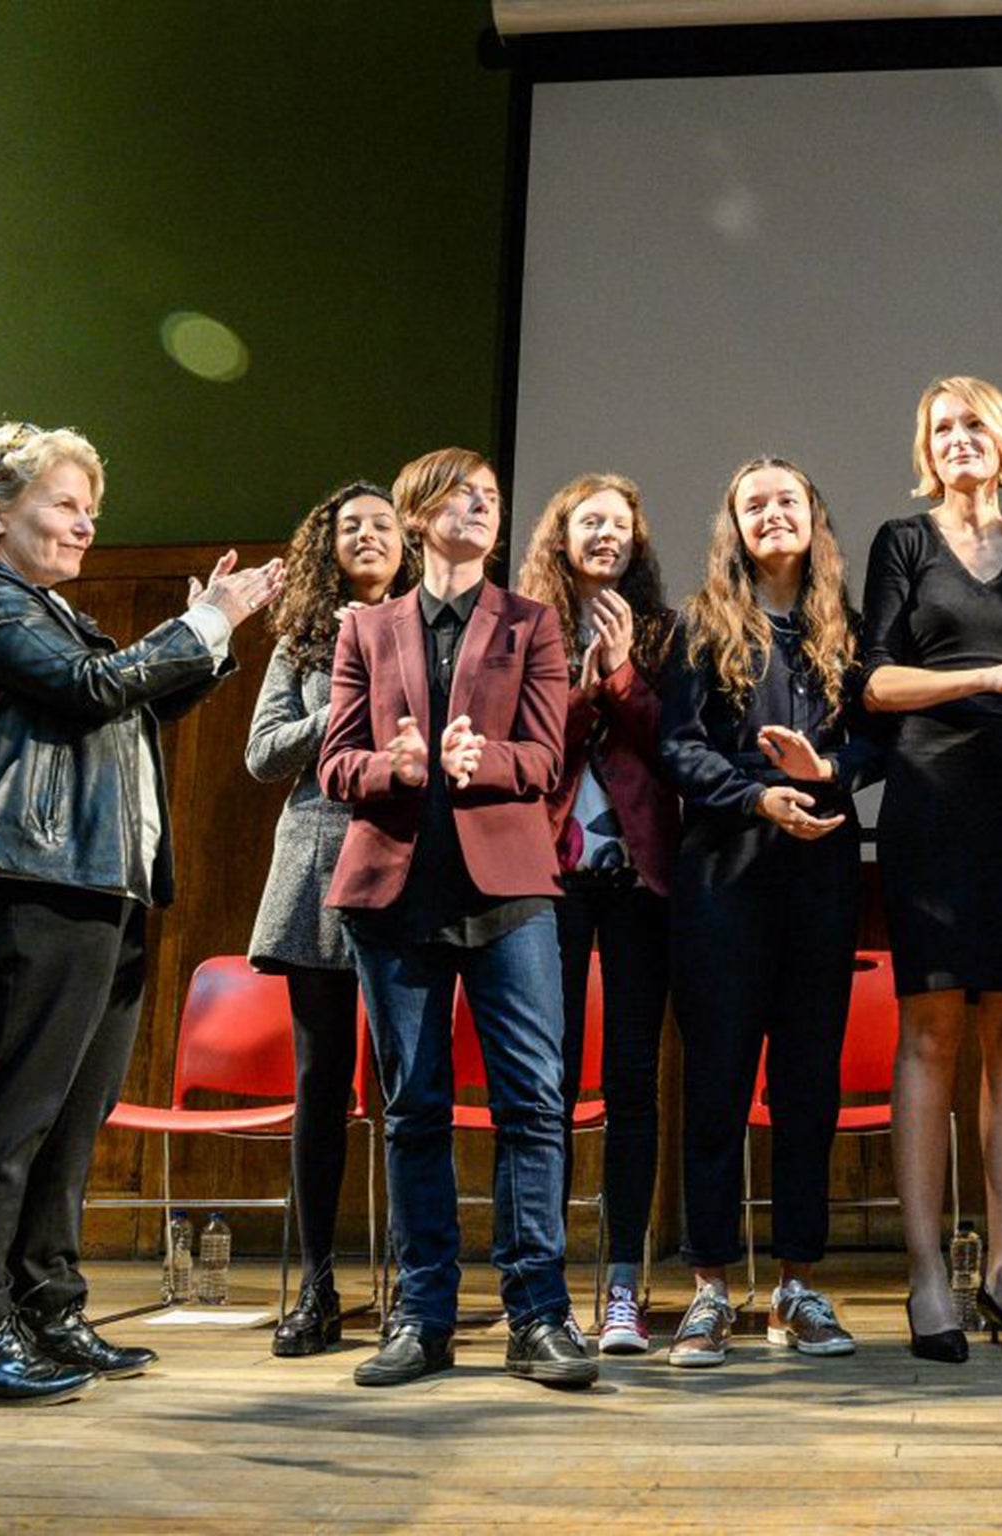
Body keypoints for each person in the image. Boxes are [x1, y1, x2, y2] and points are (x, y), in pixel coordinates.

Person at [0, 423, 281, 1406]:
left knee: (70, 1122)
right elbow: (93, 691)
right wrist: (202, 626)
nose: (86, 526)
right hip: (27, 881)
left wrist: (213, 633)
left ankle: (45, 1306)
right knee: (12, 1116)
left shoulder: (50, 611)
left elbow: (128, 702)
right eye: (66, 506)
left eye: (92, 511)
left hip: (99, 884)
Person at [319, 447, 593, 1391]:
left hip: (509, 891)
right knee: (414, 1109)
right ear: (419, 511)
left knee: (532, 1104)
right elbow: (333, 761)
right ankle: (424, 1313)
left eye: (491, 499)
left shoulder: (533, 622)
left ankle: (539, 1315)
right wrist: (386, 770)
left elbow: (549, 758)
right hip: (394, 894)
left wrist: (492, 762)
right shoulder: (367, 626)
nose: (480, 508)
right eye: (462, 496)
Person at [863, 377, 1002, 1362]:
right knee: (930, 1031)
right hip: (931, 806)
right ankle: (924, 1279)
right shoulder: (901, 544)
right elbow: (877, 682)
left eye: (972, 424)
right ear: (927, 448)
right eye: (939, 428)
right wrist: (991, 675)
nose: (956, 439)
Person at [658, 457, 883, 1367]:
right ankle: (711, 1289)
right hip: (723, 871)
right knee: (715, 1083)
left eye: (787, 499)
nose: (772, 513)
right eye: (755, 503)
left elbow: (880, 740)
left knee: (806, 1086)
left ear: (814, 518)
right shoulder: (697, 625)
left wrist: (825, 773)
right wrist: (758, 798)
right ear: (736, 527)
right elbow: (676, 747)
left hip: (823, 871)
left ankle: (797, 1284)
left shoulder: (851, 631)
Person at [246, 480, 413, 1357]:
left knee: (404, 1084)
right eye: (350, 527)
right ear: (329, 548)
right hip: (315, 864)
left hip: (407, 860)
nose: (368, 536)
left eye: (383, 524)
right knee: (322, 1084)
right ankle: (316, 1287)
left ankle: (412, 1287)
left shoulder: (432, 629)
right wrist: (337, 705)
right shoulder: (303, 640)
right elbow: (262, 754)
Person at [518, 471, 680, 1355]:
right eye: (591, 521)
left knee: (631, 1086)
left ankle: (623, 1287)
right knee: (547, 1087)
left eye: (621, 522)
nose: (606, 534)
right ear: (564, 536)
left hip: (641, 882)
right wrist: (581, 687)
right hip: (550, 882)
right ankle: (546, 1290)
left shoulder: (663, 631)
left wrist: (619, 675)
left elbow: (676, 749)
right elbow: (532, 753)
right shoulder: (527, 628)